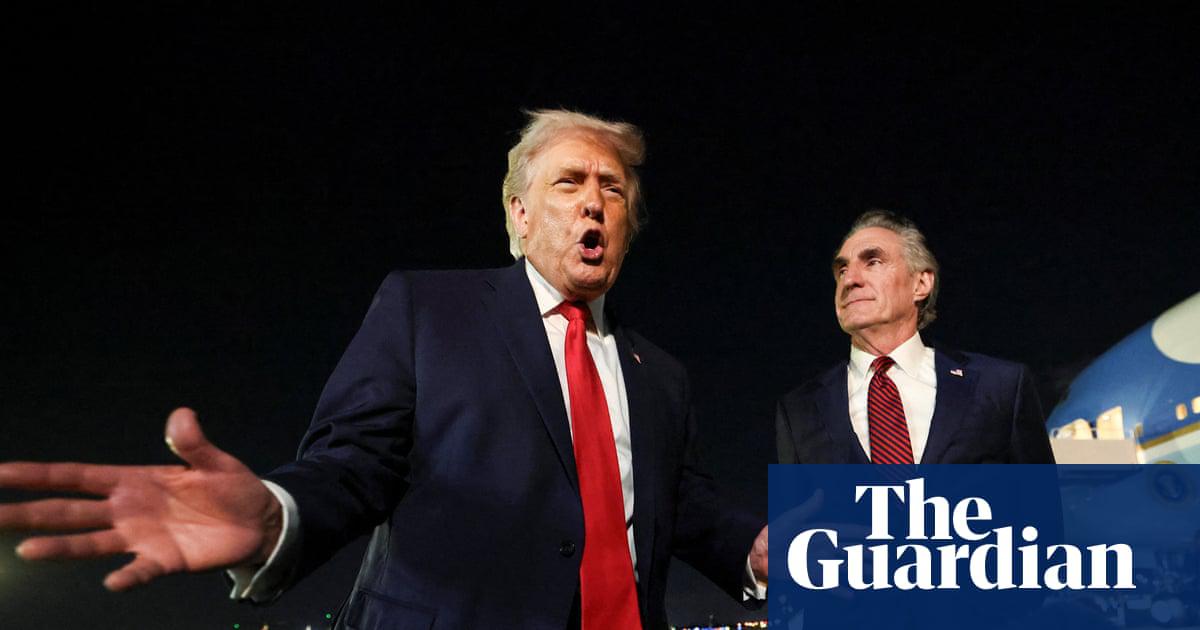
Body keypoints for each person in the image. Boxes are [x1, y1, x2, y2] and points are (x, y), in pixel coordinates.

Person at [0, 109, 768, 629]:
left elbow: (690, 510)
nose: (595, 202)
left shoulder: (660, 373)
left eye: (614, 189)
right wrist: (278, 512)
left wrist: (766, 552)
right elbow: (352, 465)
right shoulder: (427, 311)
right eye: (570, 183)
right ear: (519, 215)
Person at [775, 209, 1055, 465]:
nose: (850, 280)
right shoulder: (799, 409)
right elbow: (799, 514)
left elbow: (1040, 511)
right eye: (842, 269)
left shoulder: (1000, 386)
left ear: (921, 284)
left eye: (872, 262)